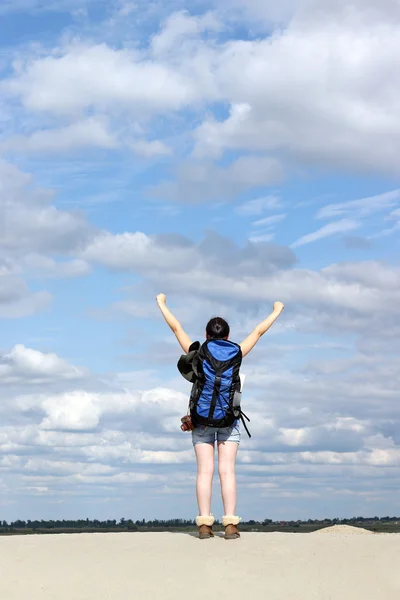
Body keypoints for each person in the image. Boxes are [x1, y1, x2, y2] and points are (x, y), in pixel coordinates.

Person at [156, 293, 284, 539]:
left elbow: (176, 328)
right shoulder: (236, 352)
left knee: (205, 472)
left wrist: (161, 303)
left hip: (201, 421)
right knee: (227, 472)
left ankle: (204, 525)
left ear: (206, 336)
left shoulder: (199, 352)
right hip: (229, 420)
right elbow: (258, 332)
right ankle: (230, 526)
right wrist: (276, 310)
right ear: (227, 336)